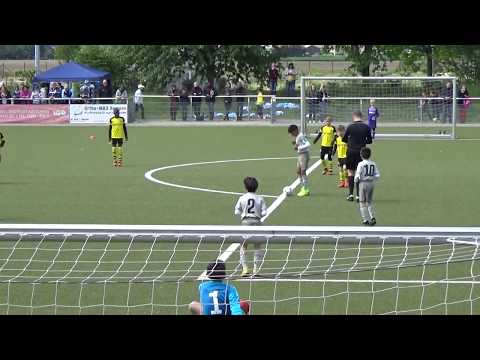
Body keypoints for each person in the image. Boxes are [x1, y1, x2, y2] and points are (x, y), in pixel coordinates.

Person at [234, 177, 267, 277]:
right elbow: (264, 212)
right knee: (257, 246)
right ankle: (256, 269)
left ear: (245, 187)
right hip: (257, 222)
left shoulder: (242, 198)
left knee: (244, 245)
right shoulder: (260, 198)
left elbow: (236, 211)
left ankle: (245, 269)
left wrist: (242, 213)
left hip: (245, 222)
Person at [342, 111, 372, 202]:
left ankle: (350, 195)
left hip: (351, 151)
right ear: (361, 117)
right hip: (361, 152)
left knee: (351, 172)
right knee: (360, 174)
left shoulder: (350, 126)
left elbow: (344, 139)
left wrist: (351, 141)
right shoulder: (366, 127)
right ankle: (359, 196)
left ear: (353, 117)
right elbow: (370, 140)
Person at [354, 147, 380, 226]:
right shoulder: (373, 163)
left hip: (363, 183)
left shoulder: (360, 164)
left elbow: (358, 174)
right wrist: (372, 178)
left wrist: (356, 179)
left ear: (361, 155)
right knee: (369, 202)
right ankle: (372, 217)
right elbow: (378, 175)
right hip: (371, 183)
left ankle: (365, 219)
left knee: (362, 202)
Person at [288, 124, 311, 197]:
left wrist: (299, 147)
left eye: (292, 133)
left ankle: (306, 189)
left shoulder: (300, 136)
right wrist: (296, 143)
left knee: (303, 171)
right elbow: (301, 143)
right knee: (298, 171)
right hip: (300, 155)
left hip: (304, 155)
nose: (291, 135)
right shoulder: (298, 137)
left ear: (295, 131)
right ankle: (302, 188)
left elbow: (308, 144)